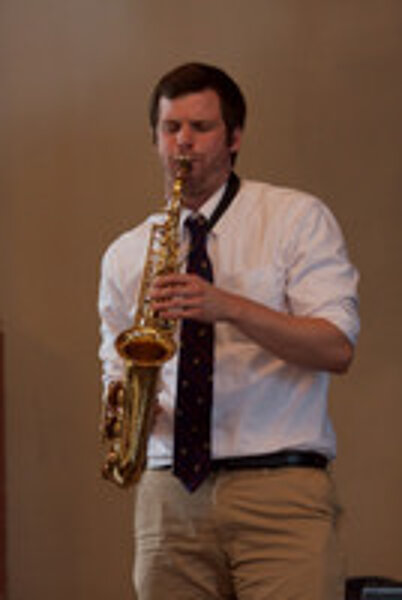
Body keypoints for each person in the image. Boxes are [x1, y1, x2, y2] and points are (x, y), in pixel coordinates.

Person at [98, 63, 360, 600]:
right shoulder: (127, 253)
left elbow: (336, 347)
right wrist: (132, 407)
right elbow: (116, 369)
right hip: (169, 493)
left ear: (235, 137)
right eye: (171, 128)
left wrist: (229, 307)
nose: (184, 142)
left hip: (279, 488)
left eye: (201, 127)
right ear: (154, 138)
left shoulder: (295, 218)